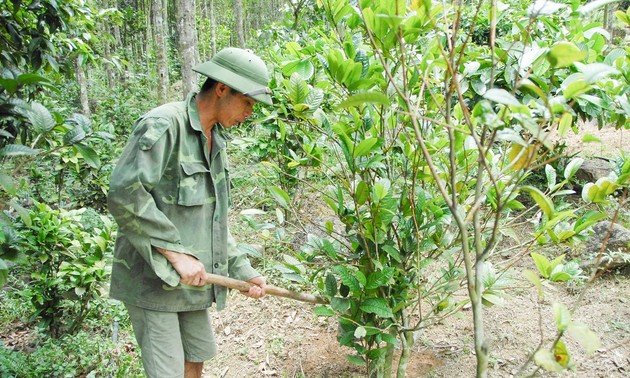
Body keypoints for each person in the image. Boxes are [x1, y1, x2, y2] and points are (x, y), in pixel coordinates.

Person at [107, 47, 273, 378]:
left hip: (192, 282)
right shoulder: (164, 125)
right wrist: (176, 254)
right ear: (222, 89)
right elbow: (125, 193)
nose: (250, 113)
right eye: (248, 103)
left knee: (195, 359)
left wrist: (243, 270)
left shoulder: (216, 140)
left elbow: (212, 220)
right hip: (154, 280)